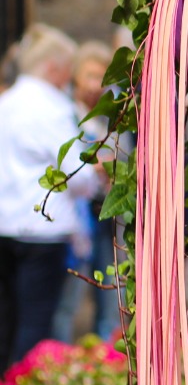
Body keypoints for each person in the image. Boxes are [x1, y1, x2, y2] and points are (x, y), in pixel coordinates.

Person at [0, 25, 106, 369]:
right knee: (35, 326)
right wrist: (96, 174)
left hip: (5, 225)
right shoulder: (54, 107)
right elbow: (77, 174)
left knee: (6, 322)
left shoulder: (5, 103)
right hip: (43, 232)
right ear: (52, 67)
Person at [51, 40, 122, 341]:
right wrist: (94, 166)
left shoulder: (113, 115)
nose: (95, 85)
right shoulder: (64, 114)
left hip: (105, 212)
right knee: (68, 296)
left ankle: (105, 354)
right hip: (77, 216)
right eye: (89, 76)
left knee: (110, 294)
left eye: (100, 77)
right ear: (76, 76)